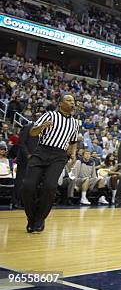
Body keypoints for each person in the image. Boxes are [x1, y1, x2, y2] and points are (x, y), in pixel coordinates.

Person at [21, 94, 81, 233]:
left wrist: (73, 154)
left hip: (59, 155)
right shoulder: (49, 115)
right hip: (42, 151)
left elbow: (73, 141)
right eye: (69, 100)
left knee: (50, 186)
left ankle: (40, 219)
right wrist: (42, 126)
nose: (72, 103)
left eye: (73, 101)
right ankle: (32, 218)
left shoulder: (74, 122)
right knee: (27, 186)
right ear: (60, 104)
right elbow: (32, 133)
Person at [11, 119, 39, 209]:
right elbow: (21, 143)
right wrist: (28, 154)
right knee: (20, 181)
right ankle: (16, 202)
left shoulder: (43, 130)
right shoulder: (27, 127)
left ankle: (25, 202)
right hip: (24, 159)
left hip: (36, 160)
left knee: (31, 183)